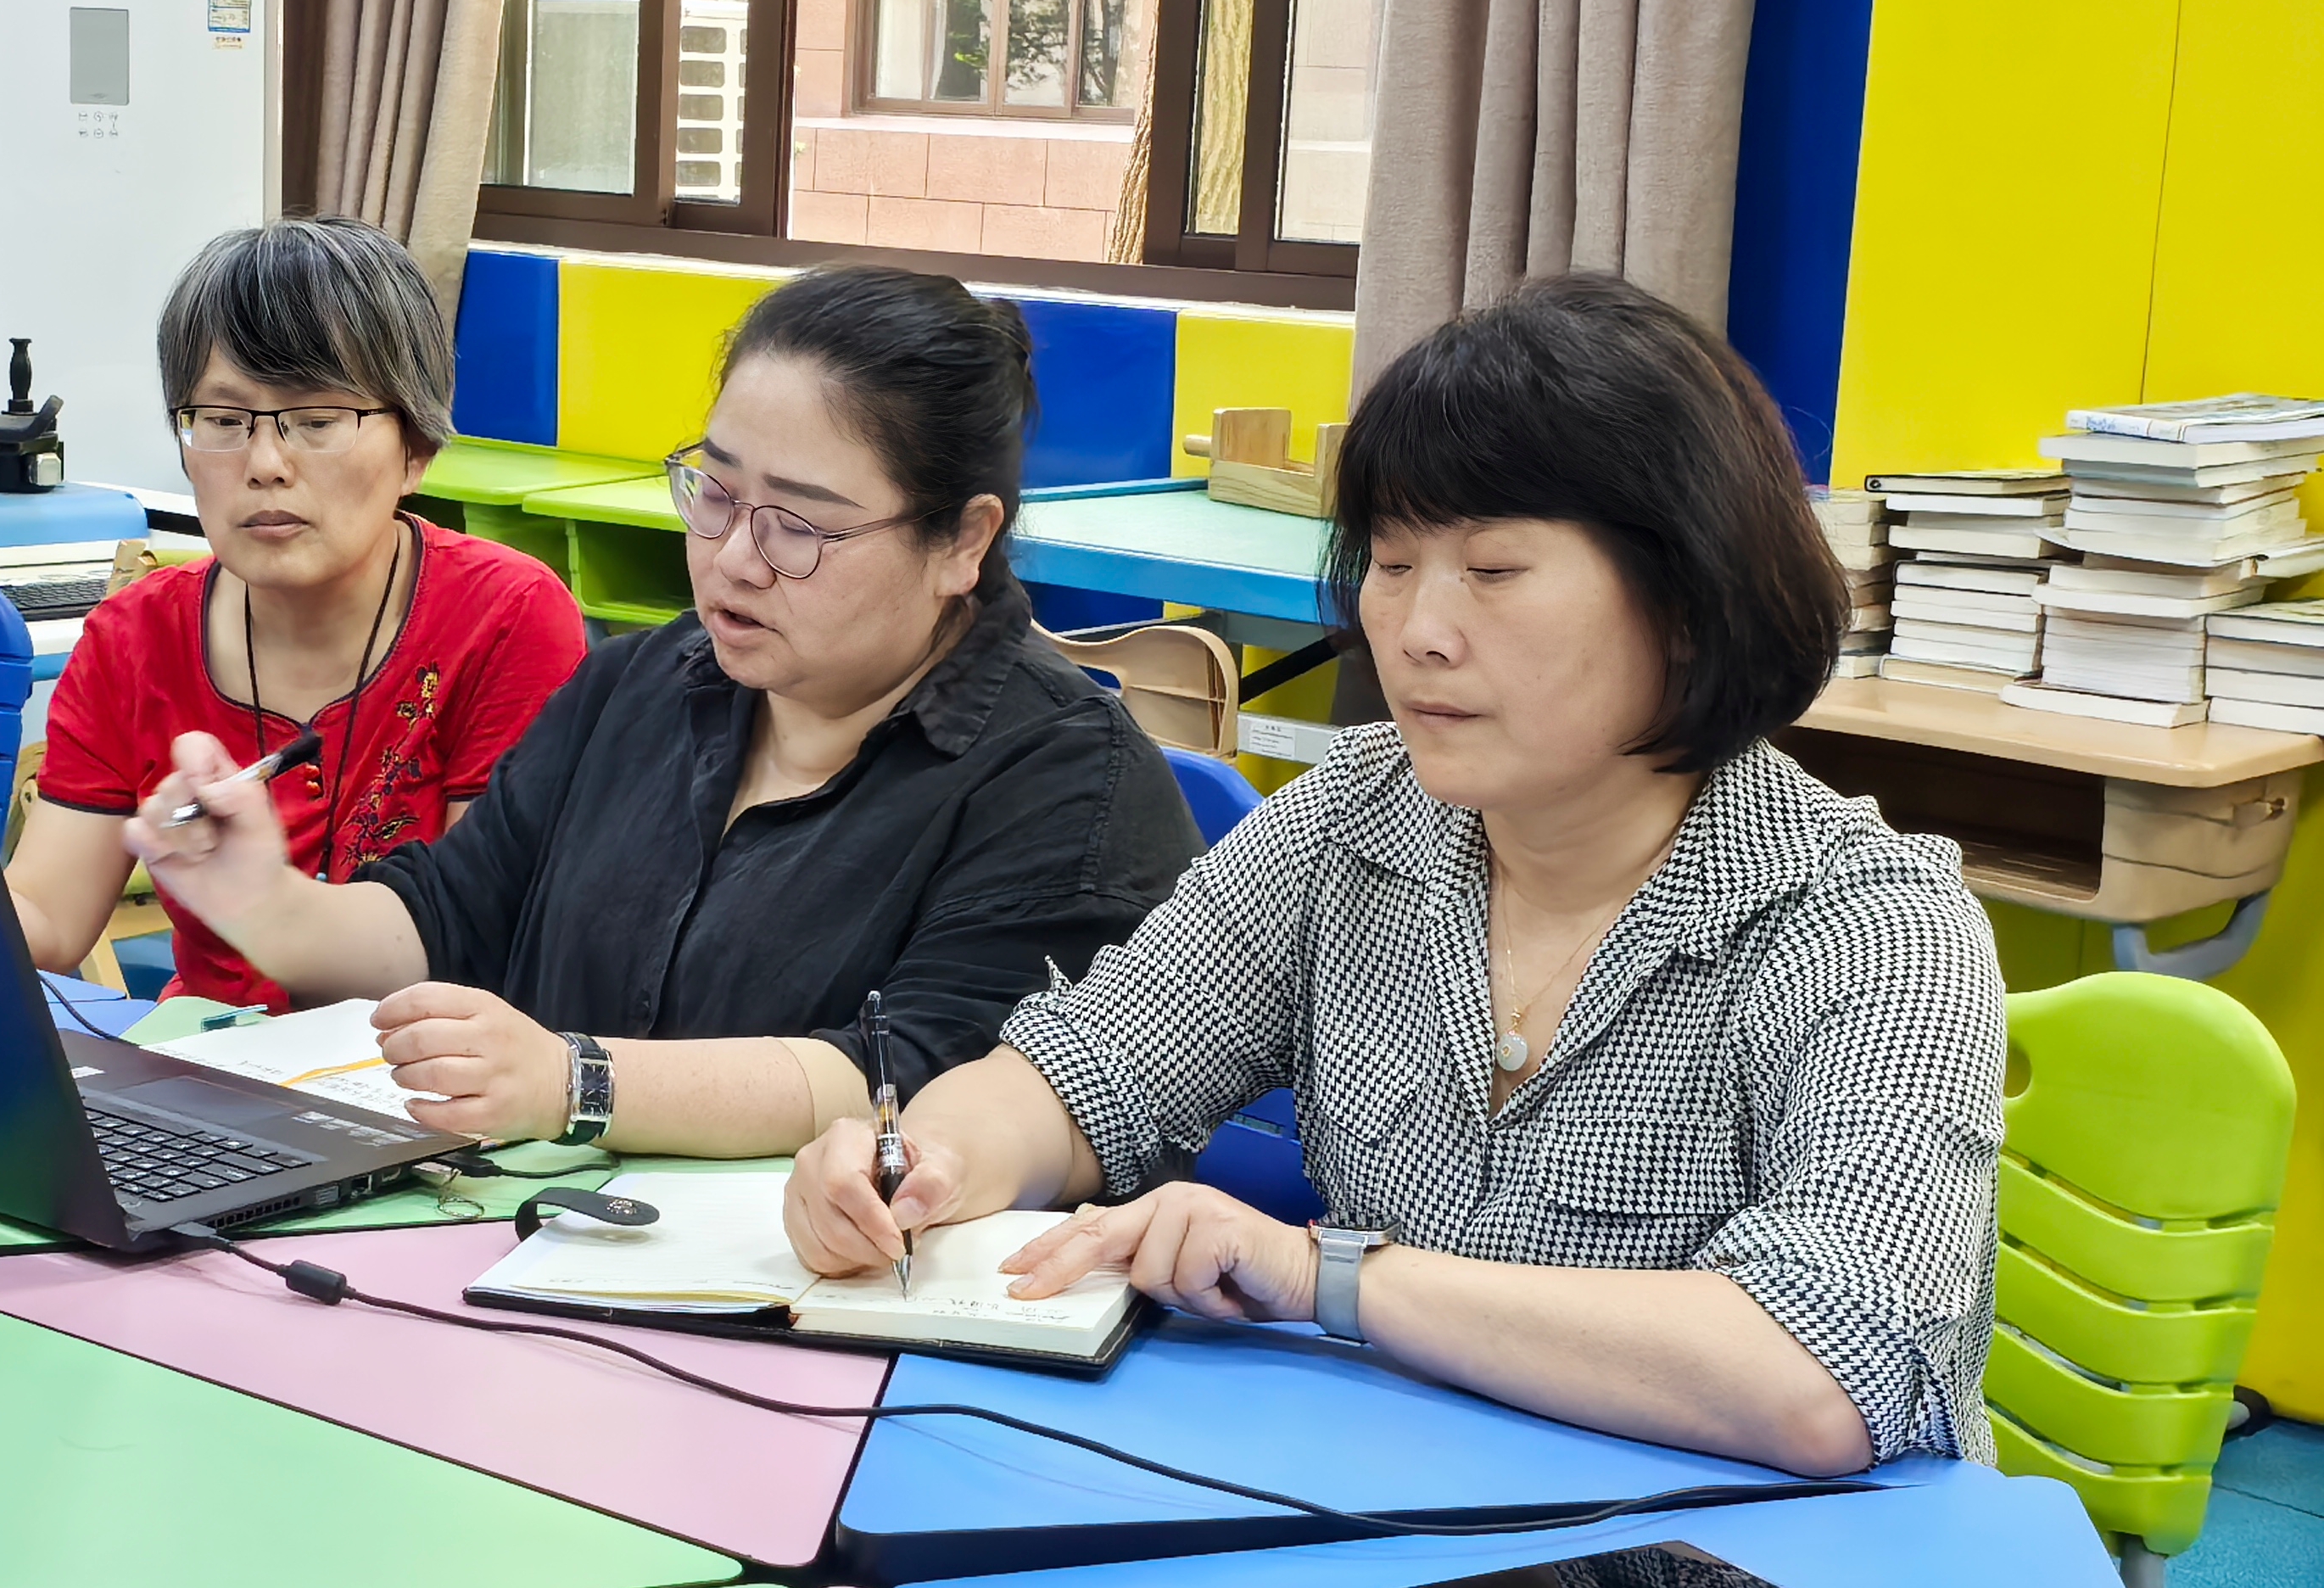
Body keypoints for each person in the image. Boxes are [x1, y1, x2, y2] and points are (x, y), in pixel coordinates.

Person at [785, 274, 2006, 1478]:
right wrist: (921, 1162)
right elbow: (1091, 1070)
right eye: (1392, 562)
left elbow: (1821, 1373)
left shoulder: (1870, 925)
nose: (1418, 631)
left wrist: (1329, 1278)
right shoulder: (1355, 820)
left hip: (1740, 1566)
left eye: (1494, 571)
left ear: (1688, 595)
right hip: (1397, 1512)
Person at [130, 264, 1198, 1157]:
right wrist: (266, 903)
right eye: (715, 493)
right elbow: (450, 918)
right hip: (537, 1248)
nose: (733, 558)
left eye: (799, 527)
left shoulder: (1067, 784)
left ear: (962, 541)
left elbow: (923, 1082)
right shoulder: (642, 684)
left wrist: (577, 1083)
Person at [5, 218, 587, 1000]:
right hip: (205, 1062)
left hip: (418, 1062)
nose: (266, 464)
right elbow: (48, 917)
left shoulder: (506, 616)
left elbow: (483, 941)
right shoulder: (133, 636)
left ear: (416, 447)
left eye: (317, 422)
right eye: (223, 421)